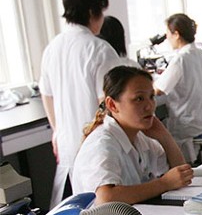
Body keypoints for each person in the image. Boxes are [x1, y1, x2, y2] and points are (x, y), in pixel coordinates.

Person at [39, 0, 119, 208]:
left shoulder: (52, 48)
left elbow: (47, 94)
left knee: (75, 214)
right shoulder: (100, 49)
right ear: (94, 11)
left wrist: (56, 131)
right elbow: (110, 103)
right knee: (102, 214)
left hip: (66, 142)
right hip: (96, 144)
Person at [72, 66, 192, 205]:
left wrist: (165, 137)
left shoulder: (140, 137)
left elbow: (181, 175)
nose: (149, 106)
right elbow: (105, 198)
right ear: (112, 105)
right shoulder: (102, 144)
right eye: (139, 99)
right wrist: (163, 184)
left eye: (151, 97)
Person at [154, 13, 202, 163]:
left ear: (176, 34)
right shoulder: (201, 54)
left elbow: (158, 90)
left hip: (187, 126)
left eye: (168, 33)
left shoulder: (180, 59)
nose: (166, 38)